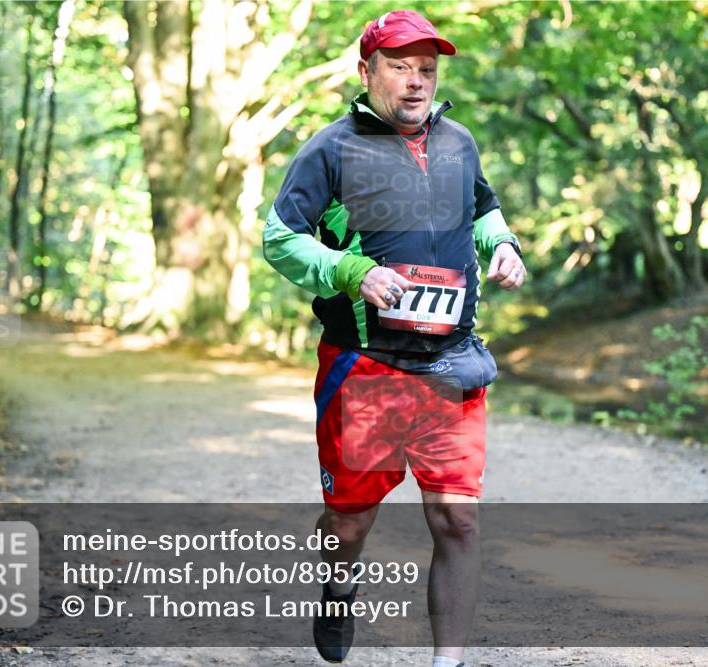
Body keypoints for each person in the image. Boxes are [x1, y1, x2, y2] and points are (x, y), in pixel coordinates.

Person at [263, 9, 525, 667]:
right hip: (366, 367)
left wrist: (503, 244)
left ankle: (448, 662)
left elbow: (483, 206)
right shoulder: (331, 149)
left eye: (427, 69)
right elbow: (281, 239)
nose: (416, 82)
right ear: (367, 71)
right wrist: (351, 271)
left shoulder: (460, 141)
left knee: (458, 520)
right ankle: (338, 581)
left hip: (453, 362)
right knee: (348, 522)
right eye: (401, 66)